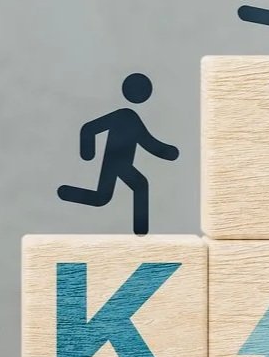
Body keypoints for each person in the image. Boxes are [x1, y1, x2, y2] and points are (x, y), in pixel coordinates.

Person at [56, 72, 179, 235]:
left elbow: (147, 142)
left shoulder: (129, 117)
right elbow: (89, 129)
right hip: (116, 163)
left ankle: (66, 192)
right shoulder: (125, 116)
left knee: (106, 196)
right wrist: (87, 152)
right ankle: (65, 192)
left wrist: (168, 152)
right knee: (128, 189)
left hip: (121, 164)